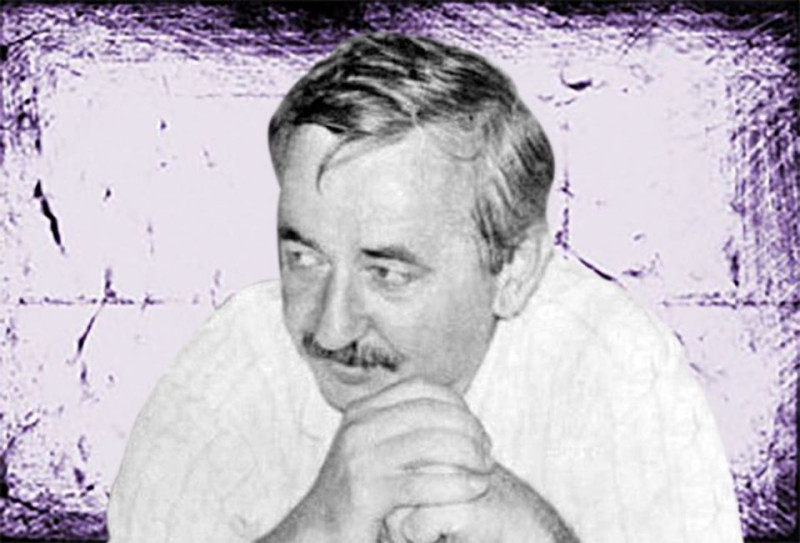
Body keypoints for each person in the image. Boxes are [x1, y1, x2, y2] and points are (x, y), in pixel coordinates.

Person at [107, 33, 743, 543]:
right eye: (304, 258)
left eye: (387, 273)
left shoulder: (617, 369)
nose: (330, 328)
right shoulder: (225, 378)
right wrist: (318, 529)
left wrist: (538, 536)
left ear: (514, 270)